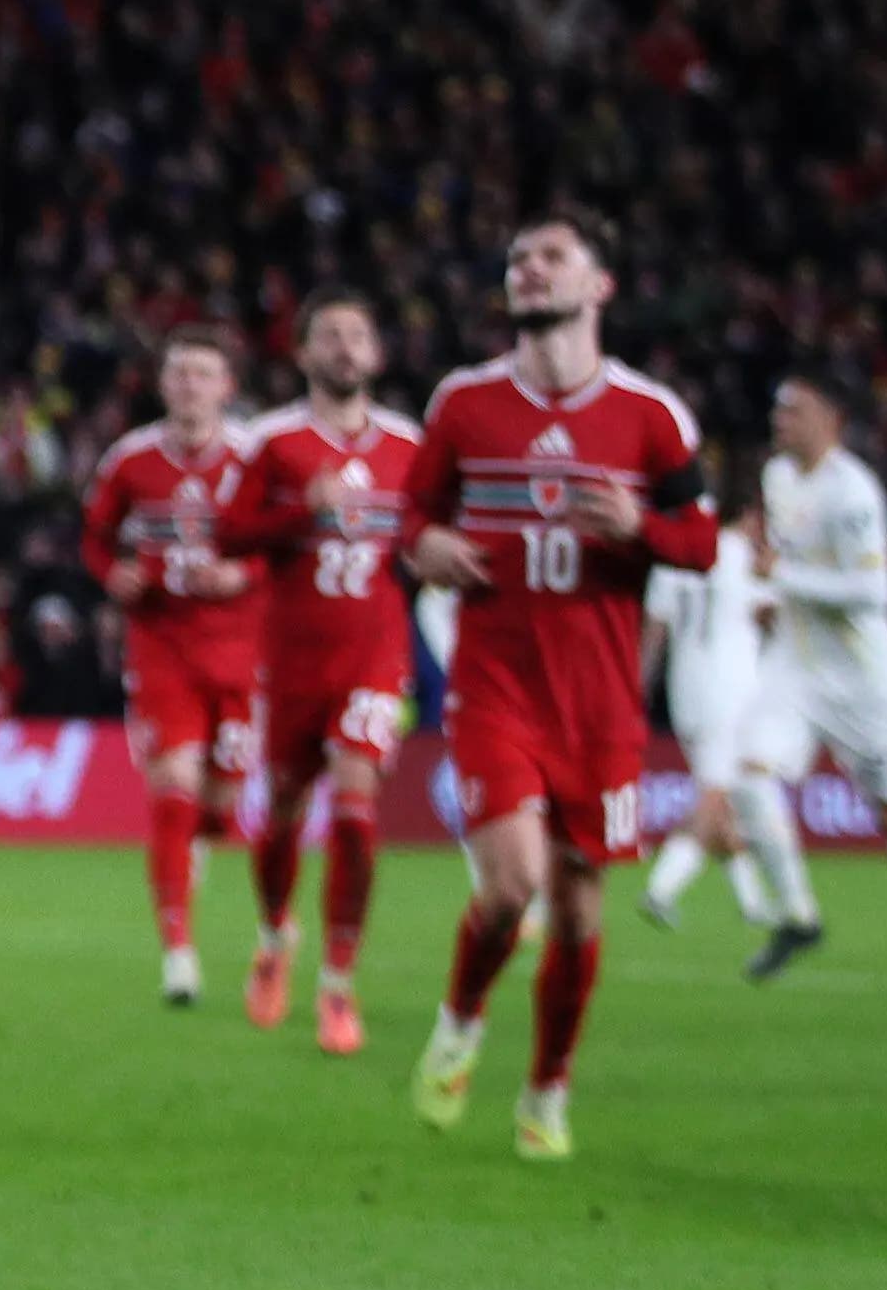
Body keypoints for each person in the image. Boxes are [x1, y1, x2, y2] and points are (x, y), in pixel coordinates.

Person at [404, 209, 714, 1160]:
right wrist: (427, 547)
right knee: (512, 889)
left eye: (552, 258)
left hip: (602, 702)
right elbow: (411, 516)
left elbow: (702, 543)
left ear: (599, 286)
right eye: (519, 261)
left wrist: (640, 530)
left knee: (580, 912)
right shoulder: (462, 403)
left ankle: (546, 1091)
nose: (530, 272)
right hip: (498, 684)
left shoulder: (651, 415)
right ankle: (460, 1022)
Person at [219, 290, 419, 1054]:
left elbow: (431, 533)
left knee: (358, 813)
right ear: (302, 354)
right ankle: (275, 938)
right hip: (290, 659)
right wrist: (304, 509)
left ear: (375, 354)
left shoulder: (409, 443)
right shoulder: (272, 443)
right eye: (329, 335)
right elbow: (231, 535)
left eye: (357, 333)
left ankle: (338, 985)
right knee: (281, 817)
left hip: (374, 654)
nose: (344, 346)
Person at [731, 373, 887, 991]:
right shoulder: (777, 478)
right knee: (748, 774)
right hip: (796, 667)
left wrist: (783, 578)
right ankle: (799, 915)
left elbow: (874, 594)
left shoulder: (854, 494)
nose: (781, 422)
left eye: (794, 411)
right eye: (779, 410)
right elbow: (787, 569)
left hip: (862, 680)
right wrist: (770, 596)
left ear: (832, 420)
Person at [79, 327, 264, 1006]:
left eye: (202, 374)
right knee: (172, 791)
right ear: (163, 386)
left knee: (218, 809)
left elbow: (285, 540)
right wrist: (114, 575)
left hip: (242, 651)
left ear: (227, 387)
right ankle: (178, 954)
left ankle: (200, 847)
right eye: (178, 373)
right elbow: (96, 539)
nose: (189, 385)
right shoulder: (130, 460)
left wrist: (242, 572)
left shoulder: (255, 458)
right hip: (161, 646)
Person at [634, 508, 778, 934]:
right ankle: (661, 890)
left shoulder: (671, 558)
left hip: (687, 694)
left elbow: (654, 634)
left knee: (721, 799)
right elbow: (769, 616)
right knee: (716, 797)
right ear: (749, 522)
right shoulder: (738, 555)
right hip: (730, 691)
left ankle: (753, 903)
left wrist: (638, 689)